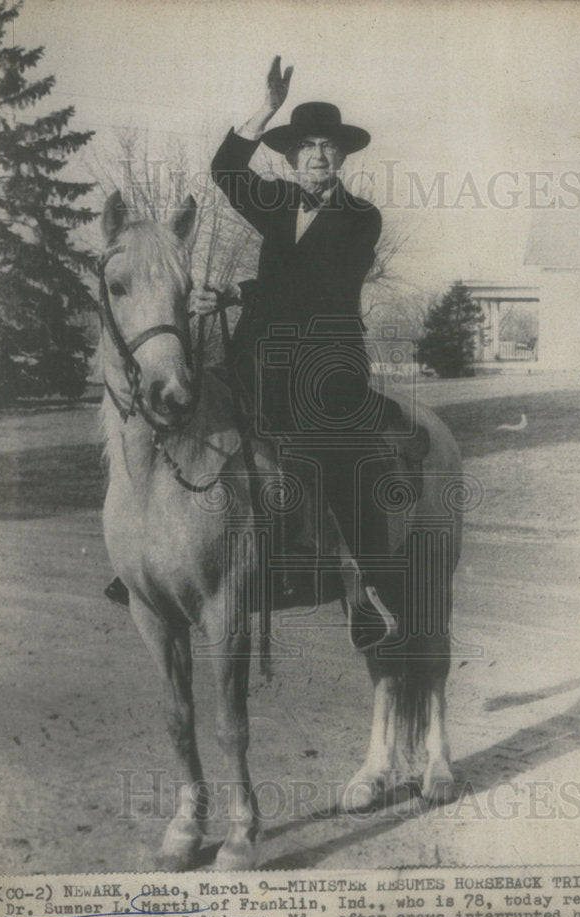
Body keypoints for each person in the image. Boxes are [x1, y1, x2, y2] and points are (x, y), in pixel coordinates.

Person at [207, 56, 398, 651]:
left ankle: (362, 586)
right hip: (258, 356)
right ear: (290, 157)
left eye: (328, 147)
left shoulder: (362, 218)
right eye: (307, 147)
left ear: (343, 157)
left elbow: (320, 287)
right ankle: (162, 557)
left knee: (333, 451)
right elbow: (224, 167)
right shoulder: (275, 202)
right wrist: (266, 106)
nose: (318, 156)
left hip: (326, 361)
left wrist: (237, 292)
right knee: (195, 419)